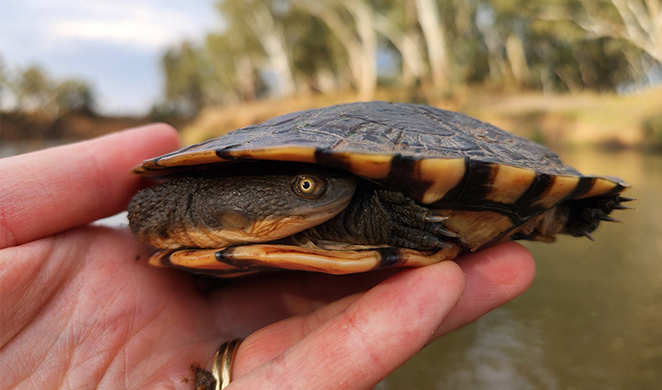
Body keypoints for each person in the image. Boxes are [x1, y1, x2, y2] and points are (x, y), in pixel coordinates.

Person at [0, 124, 535, 389]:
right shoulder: (166, 207)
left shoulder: (340, 197)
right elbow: (147, 204)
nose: (324, 191)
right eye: (305, 185)